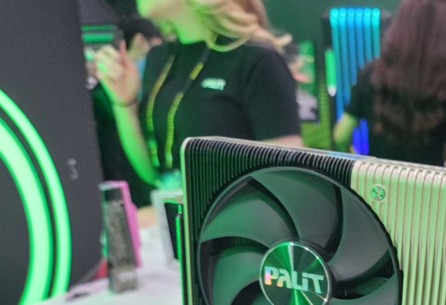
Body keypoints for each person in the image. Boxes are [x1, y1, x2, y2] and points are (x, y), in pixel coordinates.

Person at [94, 0, 302, 191]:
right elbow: (153, 174)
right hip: (176, 215)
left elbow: (283, 176)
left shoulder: (256, 59)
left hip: (239, 217)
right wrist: (125, 103)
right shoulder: (159, 59)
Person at [333, 0, 446, 166]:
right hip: (428, 181)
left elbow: (341, 135)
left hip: (379, 179)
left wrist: (356, 163)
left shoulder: (371, 74)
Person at [92, 17, 163, 206]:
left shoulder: (152, 88)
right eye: (157, 46)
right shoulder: (110, 93)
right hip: (133, 193)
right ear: (140, 41)